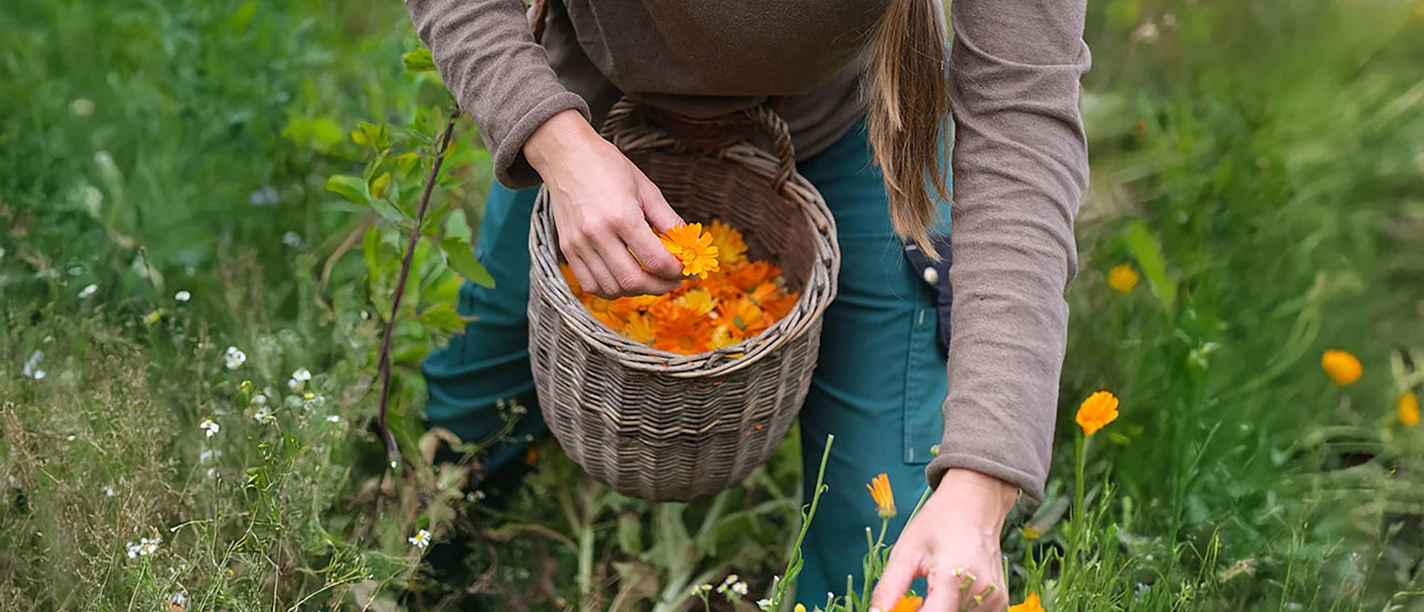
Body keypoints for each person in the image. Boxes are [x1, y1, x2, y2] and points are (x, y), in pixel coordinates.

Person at [403, 0, 1089, 609]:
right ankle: (419, 582)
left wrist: (983, 477)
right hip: (585, 119)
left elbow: (1020, 117)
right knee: (465, 422)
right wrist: (558, 146)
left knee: (893, 547)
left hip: (862, 124)